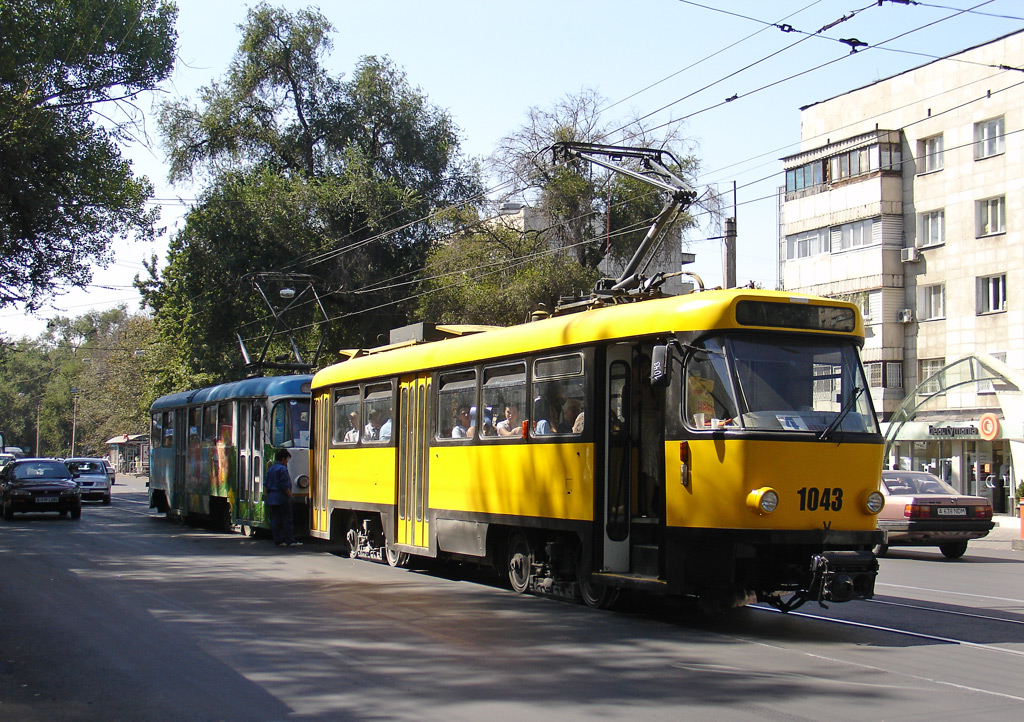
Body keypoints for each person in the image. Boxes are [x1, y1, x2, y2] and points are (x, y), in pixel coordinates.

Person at [265, 449, 301, 547]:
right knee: (287, 519)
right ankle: (289, 540)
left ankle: (277, 540)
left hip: (272, 497)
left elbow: (266, 484)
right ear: (283, 459)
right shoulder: (282, 469)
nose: (287, 462)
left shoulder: (271, 469)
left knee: (275, 519)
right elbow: (284, 485)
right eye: (287, 459)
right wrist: (291, 496)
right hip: (282, 498)